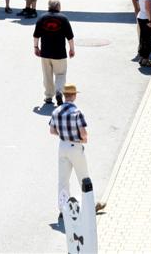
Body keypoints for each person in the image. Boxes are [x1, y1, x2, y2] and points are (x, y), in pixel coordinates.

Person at [49, 84, 105, 218]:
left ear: (64, 95)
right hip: (75, 146)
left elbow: (52, 131)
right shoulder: (76, 112)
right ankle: (90, 205)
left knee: (63, 179)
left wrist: (64, 135)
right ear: (74, 96)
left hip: (62, 146)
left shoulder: (56, 111)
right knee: (83, 177)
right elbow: (83, 134)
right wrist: (82, 139)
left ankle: (63, 209)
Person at [33, 0, 75, 106]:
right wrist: (72, 49)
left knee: (47, 75)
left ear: (48, 6)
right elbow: (70, 37)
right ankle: (59, 92)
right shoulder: (63, 19)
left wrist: (36, 47)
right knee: (60, 74)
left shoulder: (42, 18)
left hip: (45, 53)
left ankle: (48, 96)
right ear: (58, 6)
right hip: (59, 53)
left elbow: (36, 35)